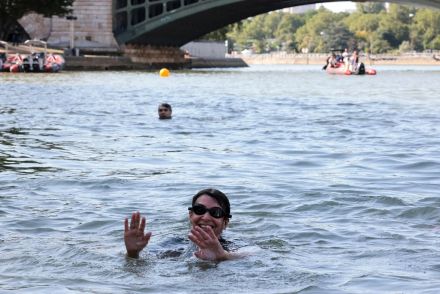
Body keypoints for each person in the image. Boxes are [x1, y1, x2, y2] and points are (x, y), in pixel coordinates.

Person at [124, 188, 239, 261]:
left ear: (225, 223)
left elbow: (252, 254)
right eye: (199, 210)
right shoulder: (173, 245)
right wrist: (133, 253)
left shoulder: (234, 247)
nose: (206, 217)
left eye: (216, 212)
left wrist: (223, 256)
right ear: (190, 215)